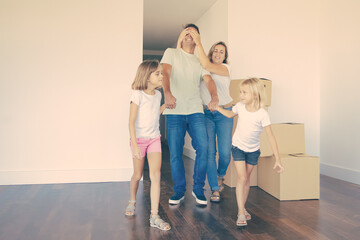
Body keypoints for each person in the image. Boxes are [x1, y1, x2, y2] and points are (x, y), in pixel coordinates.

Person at [161, 23, 219, 206]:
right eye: (186, 31)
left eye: (193, 32)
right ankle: (179, 191)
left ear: (198, 38)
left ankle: (198, 189)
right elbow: (165, 73)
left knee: (204, 147)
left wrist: (215, 96)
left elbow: (208, 80)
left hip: (195, 110)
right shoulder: (171, 53)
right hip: (175, 111)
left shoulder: (199, 60)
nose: (189, 34)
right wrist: (167, 93)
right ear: (181, 35)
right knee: (176, 153)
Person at [215, 78, 284, 226]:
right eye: (240, 92)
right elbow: (229, 114)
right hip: (238, 147)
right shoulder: (239, 106)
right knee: (241, 178)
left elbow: (271, 137)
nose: (241, 95)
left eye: (244, 92)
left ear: (255, 94)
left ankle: (242, 207)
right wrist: (218, 108)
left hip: (253, 151)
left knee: (246, 179)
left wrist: (278, 160)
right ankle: (240, 212)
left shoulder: (262, 114)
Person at [177, 30, 233, 203]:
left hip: (224, 112)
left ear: (225, 57)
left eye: (221, 52)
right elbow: (202, 68)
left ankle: (221, 175)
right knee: (209, 151)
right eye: (215, 50)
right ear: (210, 53)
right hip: (206, 113)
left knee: (224, 152)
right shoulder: (202, 66)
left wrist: (198, 41)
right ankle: (215, 188)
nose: (217, 53)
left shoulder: (226, 68)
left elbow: (208, 67)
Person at [125, 60, 171, 231]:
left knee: (156, 175)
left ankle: (154, 215)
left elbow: (153, 113)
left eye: (161, 73)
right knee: (137, 175)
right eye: (157, 73)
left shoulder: (158, 95)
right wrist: (135, 145)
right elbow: (131, 123)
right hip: (139, 140)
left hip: (154, 139)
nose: (161, 76)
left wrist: (165, 106)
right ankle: (132, 200)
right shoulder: (137, 94)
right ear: (147, 76)